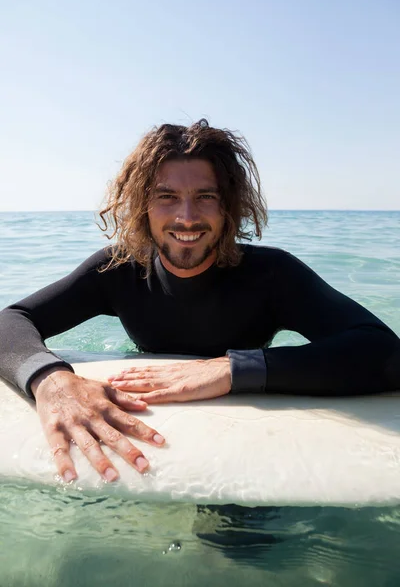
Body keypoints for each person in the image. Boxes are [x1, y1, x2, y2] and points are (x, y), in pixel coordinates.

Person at [0, 119, 399, 485]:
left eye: (205, 196)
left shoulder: (271, 275)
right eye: (167, 196)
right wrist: (50, 379)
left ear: (229, 207)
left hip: (242, 433)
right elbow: (12, 320)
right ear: (143, 205)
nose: (187, 217)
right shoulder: (119, 269)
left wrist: (233, 369)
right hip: (157, 429)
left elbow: (383, 352)